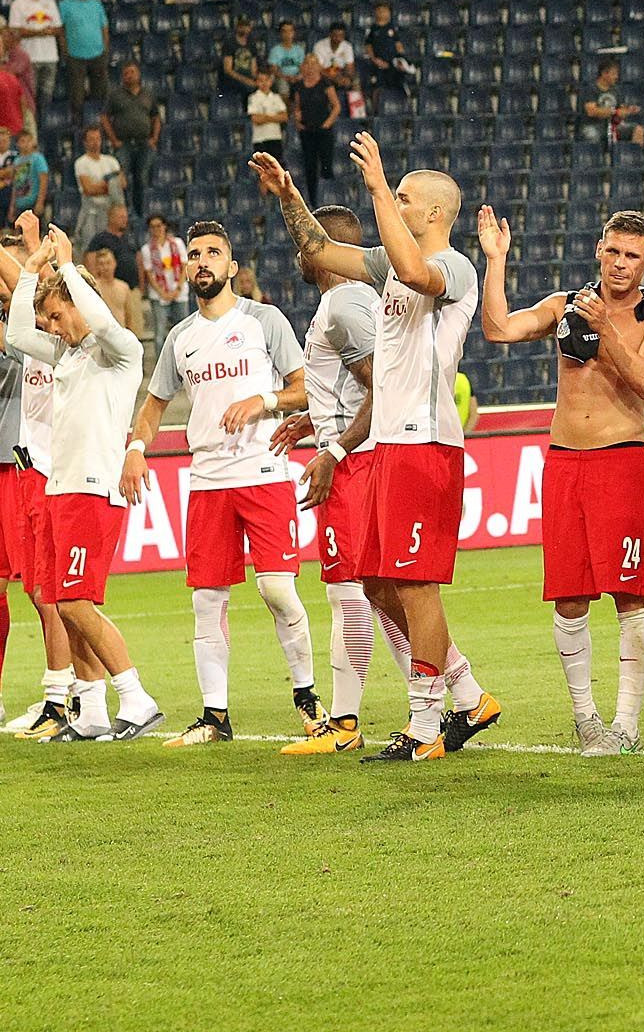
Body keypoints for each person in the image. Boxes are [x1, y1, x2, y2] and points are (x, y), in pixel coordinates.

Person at [254, 135, 500, 762]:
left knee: (415, 587)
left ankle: (424, 727)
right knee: (380, 586)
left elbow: (418, 272)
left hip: (427, 444)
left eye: (406, 198)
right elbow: (319, 248)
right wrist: (290, 198)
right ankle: (468, 694)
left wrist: (376, 186)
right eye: (396, 196)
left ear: (436, 215)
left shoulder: (454, 268)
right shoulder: (388, 268)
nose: (397, 202)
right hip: (388, 445)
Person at [478, 206, 644, 755]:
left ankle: (627, 723)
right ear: (598, 249)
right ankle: (586, 718)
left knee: (629, 594)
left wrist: (604, 329)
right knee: (568, 598)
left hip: (620, 460)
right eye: (612, 250)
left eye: (632, 255)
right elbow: (498, 329)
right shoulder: (565, 305)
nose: (619, 263)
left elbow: (643, 381)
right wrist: (496, 261)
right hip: (564, 461)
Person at [121, 222, 320, 747]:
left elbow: (305, 387)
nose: (203, 260)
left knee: (276, 588)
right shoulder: (180, 338)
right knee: (207, 601)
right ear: (187, 269)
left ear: (232, 267)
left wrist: (265, 401)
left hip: (263, 471)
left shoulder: (264, 321)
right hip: (207, 480)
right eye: (194, 254)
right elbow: (152, 406)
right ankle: (215, 717)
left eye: (214, 252)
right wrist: (137, 450)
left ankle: (307, 698)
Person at [7, 220, 163, 741]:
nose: (51, 326)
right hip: (58, 487)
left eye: (56, 315)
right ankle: (93, 709)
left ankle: (136, 697)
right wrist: (31, 274)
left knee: (76, 601)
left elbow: (98, 318)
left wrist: (68, 268)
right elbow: (16, 335)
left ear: (77, 303)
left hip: (93, 490)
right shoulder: (68, 355)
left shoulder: (119, 351)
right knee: (59, 599)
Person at [263, 203, 387, 755]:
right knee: (379, 594)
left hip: (355, 465)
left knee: (351, 595)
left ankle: (344, 723)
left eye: (307, 242)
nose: (298, 252)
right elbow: (357, 388)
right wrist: (313, 418)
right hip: (353, 455)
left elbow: (381, 391)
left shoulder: (343, 305)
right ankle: (437, 701)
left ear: (326, 246)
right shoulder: (349, 302)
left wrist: (333, 449)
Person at [0, 225, 79, 740]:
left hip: (32, 467)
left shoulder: (43, 329)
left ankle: (68, 694)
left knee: (50, 590)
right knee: (40, 590)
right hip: (21, 467)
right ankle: (67, 693)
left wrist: (27, 259)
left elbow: (37, 293)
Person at [101, 61, 161, 220]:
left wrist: (154, 138)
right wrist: (113, 140)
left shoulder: (148, 94)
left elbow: (156, 117)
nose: (130, 76)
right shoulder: (115, 95)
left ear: (138, 74)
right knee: (122, 179)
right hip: (123, 143)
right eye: (126, 73)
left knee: (141, 177)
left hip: (144, 143)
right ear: (122, 77)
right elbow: (105, 117)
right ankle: (125, 214)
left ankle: (141, 214)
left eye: (132, 72)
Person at [57, 0, 110, 124]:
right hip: (75, 56)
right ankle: (79, 125)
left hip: (98, 54)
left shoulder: (96, 3)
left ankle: (99, 124)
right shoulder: (65, 5)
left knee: (100, 93)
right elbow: (60, 30)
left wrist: (105, 47)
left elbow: (104, 27)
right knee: (77, 95)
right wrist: (65, 50)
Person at [9, 0, 61, 115]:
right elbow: (15, 31)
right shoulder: (18, 4)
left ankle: (44, 128)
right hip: (29, 59)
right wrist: (39, 32)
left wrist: (49, 31)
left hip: (50, 57)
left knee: (46, 98)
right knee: (29, 99)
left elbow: (58, 28)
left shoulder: (49, 2)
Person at [290, 58, 342, 207]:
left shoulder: (325, 83)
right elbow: (296, 107)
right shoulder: (298, 86)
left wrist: (327, 124)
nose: (310, 67)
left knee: (326, 165)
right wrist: (297, 121)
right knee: (310, 168)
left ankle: (332, 201)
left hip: (323, 131)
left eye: (313, 64)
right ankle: (314, 203)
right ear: (303, 67)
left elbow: (336, 106)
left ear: (319, 66)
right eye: (307, 64)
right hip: (307, 131)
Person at [139, 211, 188, 350]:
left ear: (165, 226)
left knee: (183, 329)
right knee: (159, 333)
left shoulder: (177, 243)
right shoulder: (147, 249)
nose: (156, 230)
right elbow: (149, 274)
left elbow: (184, 266)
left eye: (159, 226)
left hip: (179, 292)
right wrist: (162, 292)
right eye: (153, 227)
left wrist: (178, 288)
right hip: (159, 295)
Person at [71, 127, 122, 242]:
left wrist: (100, 186)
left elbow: (122, 184)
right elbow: (88, 189)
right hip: (91, 211)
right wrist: (110, 185)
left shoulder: (111, 161)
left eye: (98, 139)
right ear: (85, 142)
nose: (96, 142)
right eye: (92, 139)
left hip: (110, 211)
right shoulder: (81, 163)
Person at [580, 60, 644, 147]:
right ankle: (597, 159)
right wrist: (614, 111)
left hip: (613, 126)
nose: (616, 77)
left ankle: (634, 157)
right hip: (593, 126)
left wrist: (628, 111)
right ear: (604, 73)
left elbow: (620, 111)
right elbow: (592, 111)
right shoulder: (590, 89)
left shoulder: (616, 90)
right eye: (614, 74)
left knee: (638, 129)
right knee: (592, 135)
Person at [361, 1, 411, 114]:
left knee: (400, 85)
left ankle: (405, 110)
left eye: (385, 10)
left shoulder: (392, 28)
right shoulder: (373, 29)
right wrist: (375, 60)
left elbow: (398, 46)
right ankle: (375, 113)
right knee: (377, 88)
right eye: (380, 10)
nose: (382, 13)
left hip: (392, 64)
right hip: (378, 64)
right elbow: (368, 47)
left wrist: (401, 60)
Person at [8, 131, 50, 220]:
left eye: (29, 141)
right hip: (19, 203)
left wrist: (40, 202)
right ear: (17, 144)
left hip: (33, 202)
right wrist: (12, 207)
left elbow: (44, 180)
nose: (27, 144)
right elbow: (15, 185)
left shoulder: (38, 158)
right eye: (23, 141)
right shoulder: (17, 161)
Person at [218, 16, 261, 99]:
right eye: (242, 26)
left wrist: (258, 79)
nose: (244, 29)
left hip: (247, 76)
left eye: (246, 26)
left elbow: (253, 67)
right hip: (233, 78)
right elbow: (228, 70)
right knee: (249, 88)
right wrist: (246, 80)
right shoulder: (229, 43)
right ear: (237, 27)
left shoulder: (251, 44)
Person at [314, 21, 357, 91]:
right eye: (335, 35)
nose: (338, 38)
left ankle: (356, 102)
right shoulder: (319, 45)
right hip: (325, 73)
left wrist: (347, 78)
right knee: (324, 81)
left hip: (341, 72)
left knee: (355, 81)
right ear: (330, 34)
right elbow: (319, 69)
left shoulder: (347, 46)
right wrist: (335, 78)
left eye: (341, 36)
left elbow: (350, 67)